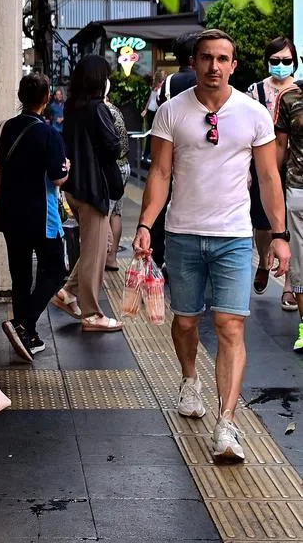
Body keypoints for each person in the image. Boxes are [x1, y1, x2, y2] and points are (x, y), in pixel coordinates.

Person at [133, 29, 290, 464]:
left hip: (235, 237)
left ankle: (227, 423)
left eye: (222, 59)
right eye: (206, 58)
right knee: (186, 322)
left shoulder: (254, 114)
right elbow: (160, 174)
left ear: (234, 66)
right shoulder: (171, 111)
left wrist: (279, 236)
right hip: (182, 233)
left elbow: (269, 178)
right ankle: (190, 380)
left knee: (230, 326)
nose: (214, 66)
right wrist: (145, 224)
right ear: (194, 63)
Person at [0, 73, 71, 362]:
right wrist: (67, 168)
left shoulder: (6, 128)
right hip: (41, 216)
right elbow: (58, 177)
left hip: (9, 213)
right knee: (56, 270)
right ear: (47, 98)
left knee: (21, 277)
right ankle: (23, 324)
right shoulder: (49, 134)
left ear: (20, 96)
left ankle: (27, 335)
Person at [51, 55, 124, 332]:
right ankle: (92, 314)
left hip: (74, 186)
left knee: (94, 247)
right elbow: (113, 147)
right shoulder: (97, 108)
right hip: (93, 188)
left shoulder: (72, 106)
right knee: (96, 252)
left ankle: (67, 293)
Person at [246, 37, 298, 302]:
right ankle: (264, 262)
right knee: (264, 223)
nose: (281, 65)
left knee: (292, 225)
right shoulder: (255, 91)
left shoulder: (298, 92)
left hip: (295, 166)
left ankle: (290, 283)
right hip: (263, 164)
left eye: (286, 61)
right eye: (275, 60)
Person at [149, 31, 201, 271]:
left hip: (172, 151)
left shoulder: (169, 83)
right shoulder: (203, 80)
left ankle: (161, 258)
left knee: (164, 203)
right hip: (199, 152)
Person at [275, 80, 303, 349]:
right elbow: (280, 146)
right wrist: (271, 184)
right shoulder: (290, 98)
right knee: (301, 265)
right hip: (298, 190)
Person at [105, 90, 131, 272]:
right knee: (116, 212)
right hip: (123, 165)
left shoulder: (102, 111)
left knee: (104, 214)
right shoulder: (114, 109)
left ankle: (102, 256)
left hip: (112, 168)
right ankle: (112, 258)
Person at [142, 69, 166, 163]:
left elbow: (150, 100)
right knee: (152, 133)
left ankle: (147, 154)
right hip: (154, 111)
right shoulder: (158, 88)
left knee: (152, 133)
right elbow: (151, 99)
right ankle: (148, 154)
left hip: (153, 110)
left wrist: (145, 109)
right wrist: (145, 109)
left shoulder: (156, 87)